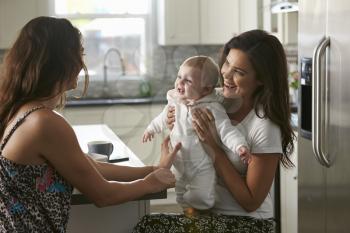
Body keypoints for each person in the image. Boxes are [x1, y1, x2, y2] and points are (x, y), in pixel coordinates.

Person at [0, 16, 181, 232]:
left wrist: (152, 170)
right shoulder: (44, 123)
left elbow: (90, 166)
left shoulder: (22, 111)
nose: (81, 63)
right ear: (62, 61)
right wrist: (152, 183)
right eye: (79, 54)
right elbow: (104, 195)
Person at [133, 29, 295, 233]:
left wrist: (212, 147)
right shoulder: (212, 99)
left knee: (148, 226)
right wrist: (174, 123)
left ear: (261, 79)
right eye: (227, 63)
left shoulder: (264, 125)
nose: (225, 74)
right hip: (204, 214)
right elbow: (178, 101)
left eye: (239, 72)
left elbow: (251, 201)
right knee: (143, 220)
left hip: (248, 224)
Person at [142, 55, 251, 212]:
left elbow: (227, 130)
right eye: (179, 77)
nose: (180, 83)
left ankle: (197, 208)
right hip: (179, 162)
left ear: (206, 89)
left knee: (202, 196)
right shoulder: (175, 102)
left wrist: (240, 146)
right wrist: (151, 129)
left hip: (202, 165)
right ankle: (188, 211)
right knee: (179, 193)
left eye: (188, 81)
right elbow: (162, 118)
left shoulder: (212, 109)